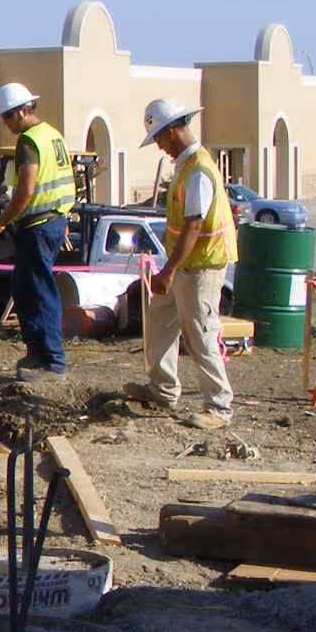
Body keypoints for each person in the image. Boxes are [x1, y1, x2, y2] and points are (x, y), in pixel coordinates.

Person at [127, 99, 236, 429]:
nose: (160, 147)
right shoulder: (187, 167)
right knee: (160, 320)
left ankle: (218, 406)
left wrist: (169, 270)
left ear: (173, 131)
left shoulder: (199, 170)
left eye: (160, 139)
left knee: (201, 331)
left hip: (201, 265)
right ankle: (162, 389)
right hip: (184, 263)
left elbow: (194, 225)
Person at [0, 82, 76, 380]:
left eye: (8, 117)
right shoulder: (52, 135)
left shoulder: (29, 142)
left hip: (37, 225)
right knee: (24, 288)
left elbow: (25, 191)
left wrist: (0, 222)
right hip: (52, 221)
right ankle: (39, 353)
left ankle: (51, 360)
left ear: (23, 111)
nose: (7, 124)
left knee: (37, 291)